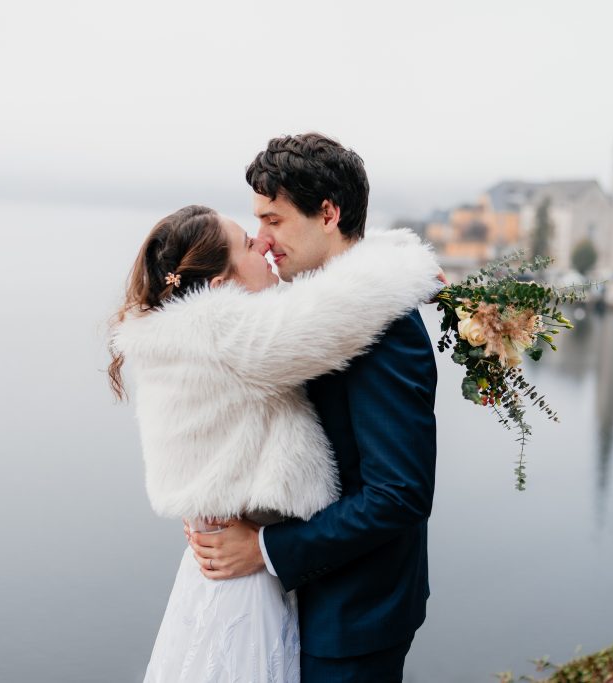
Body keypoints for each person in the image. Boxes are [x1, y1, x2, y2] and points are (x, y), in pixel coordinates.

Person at [109, 203, 440, 682]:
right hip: (243, 581)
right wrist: (407, 262)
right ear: (219, 290)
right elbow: (340, 313)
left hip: (231, 575)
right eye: (247, 242)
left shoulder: (169, 335)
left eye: (270, 221)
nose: (262, 242)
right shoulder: (229, 340)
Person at [188, 133, 439, 682]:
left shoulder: (384, 326)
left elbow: (400, 494)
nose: (263, 239)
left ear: (327, 213)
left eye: (273, 220)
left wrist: (265, 550)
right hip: (314, 601)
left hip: (352, 617)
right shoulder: (317, 308)